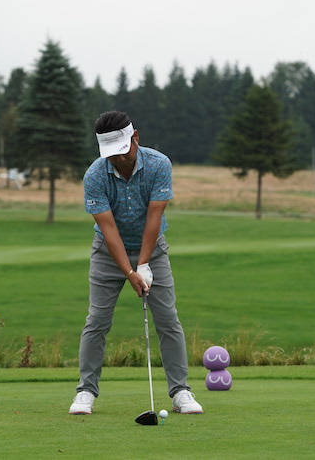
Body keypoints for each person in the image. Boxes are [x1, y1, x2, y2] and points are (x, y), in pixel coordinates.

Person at [69, 111, 203, 416]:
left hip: (153, 251)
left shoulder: (159, 164)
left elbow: (154, 218)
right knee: (97, 321)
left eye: (123, 150)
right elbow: (109, 230)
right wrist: (130, 272)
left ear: (136, 138)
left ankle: (180, 391)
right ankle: (86, 391)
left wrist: (143, 264)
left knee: (167, 319)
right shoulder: (94, 175)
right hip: (107, 253)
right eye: (112, 154)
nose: (119, 159)